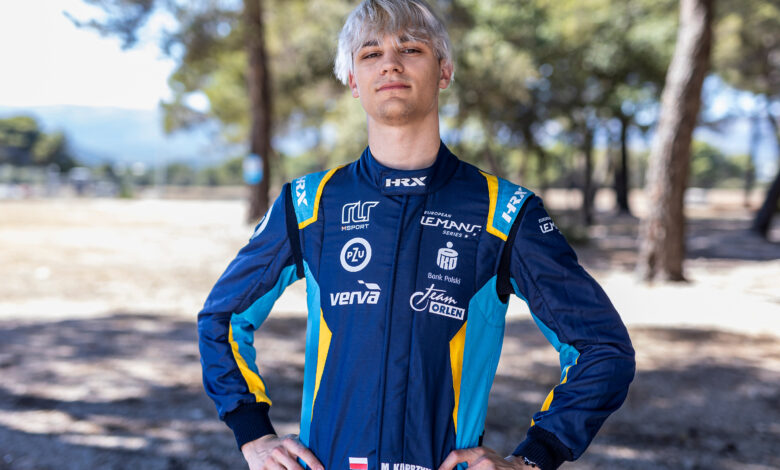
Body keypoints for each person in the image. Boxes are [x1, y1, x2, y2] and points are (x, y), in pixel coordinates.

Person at [197, 1, 635, 469]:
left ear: (444, 71)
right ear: (353, 82)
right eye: (370, 54)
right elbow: (220, 319)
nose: (390, 62)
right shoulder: (308, 204)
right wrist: (253, 433)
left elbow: (603, 349)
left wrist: (532, 459)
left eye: (410, 48)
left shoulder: (504, 213)